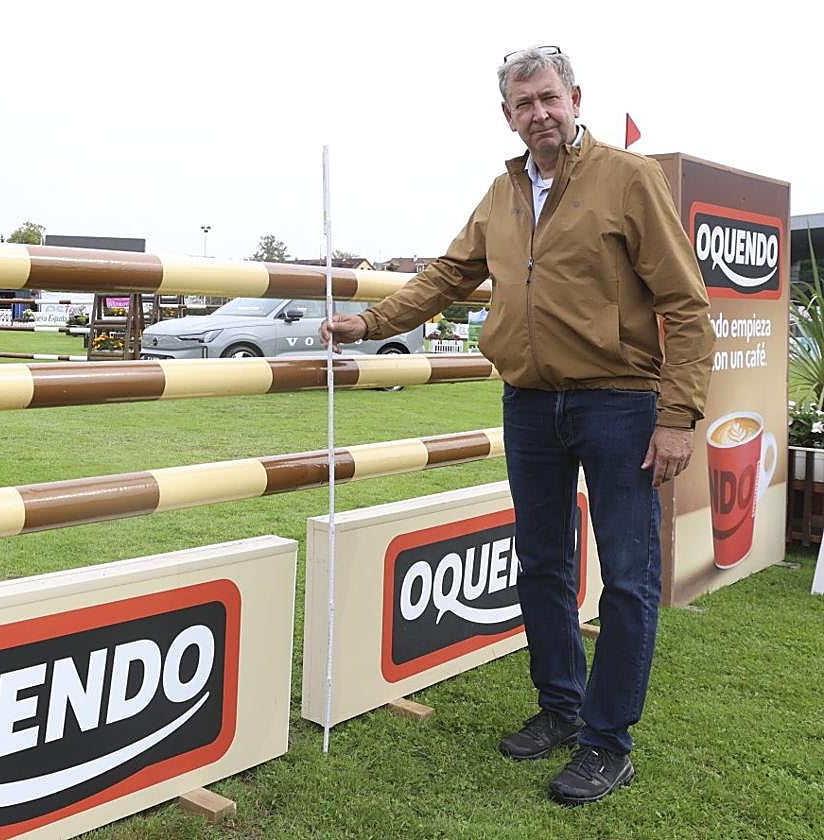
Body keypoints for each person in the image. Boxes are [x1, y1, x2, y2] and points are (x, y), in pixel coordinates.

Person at [321, 46, 712, 805]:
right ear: (508, 115)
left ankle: (608, 743)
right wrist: (369, 321)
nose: (539, 113)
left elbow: (686, 306)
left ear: (575, 98)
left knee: (628, 580)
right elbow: (447, 276)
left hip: (620, 404)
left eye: (549, 98)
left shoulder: (628, 179)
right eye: (523, 104)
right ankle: (562, 708)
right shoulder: (501, 194)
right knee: (541, 566)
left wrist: (678, 416)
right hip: (529, 403)